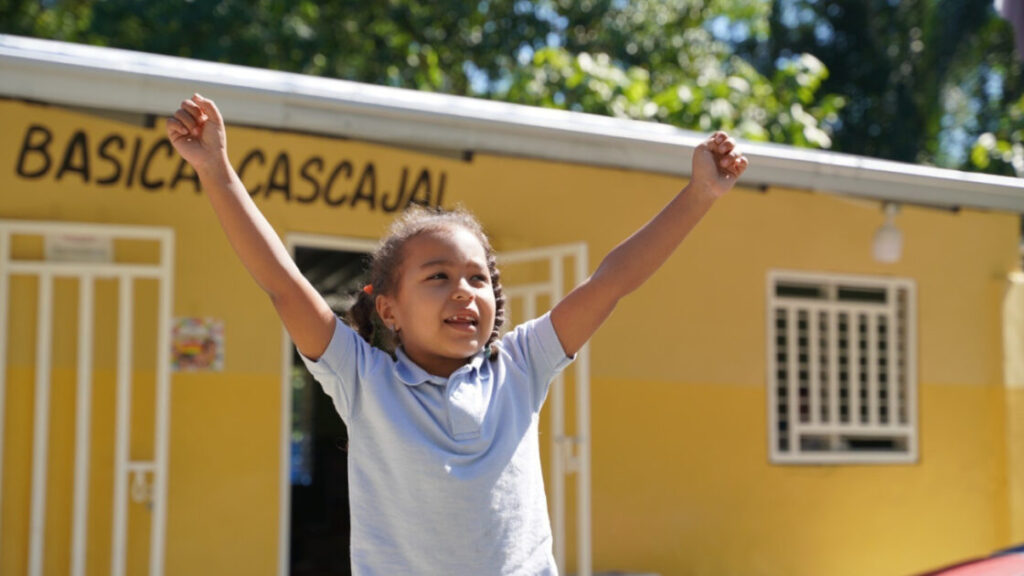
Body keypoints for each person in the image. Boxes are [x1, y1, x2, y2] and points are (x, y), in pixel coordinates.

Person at [167, 93, 748, 575]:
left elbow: (611, 282)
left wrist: (698, 195)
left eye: (477, 278)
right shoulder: (364, 381)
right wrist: (216, 169)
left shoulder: (520, 367)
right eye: (438, 277)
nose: (464, 291)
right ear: (388, 310)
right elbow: (283, 284)